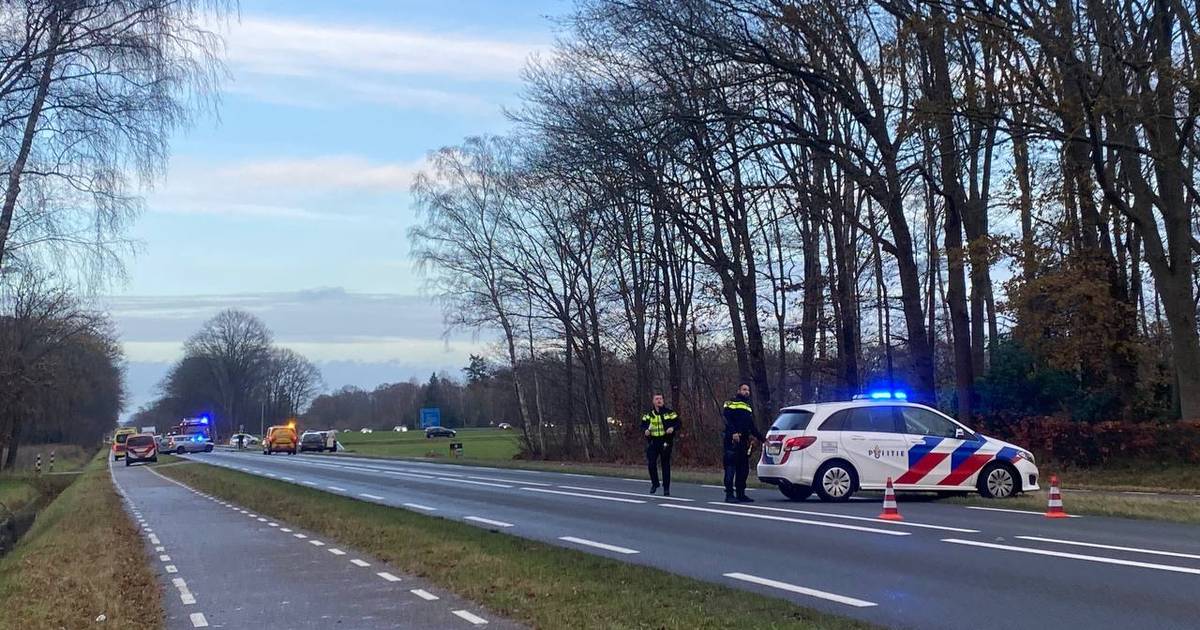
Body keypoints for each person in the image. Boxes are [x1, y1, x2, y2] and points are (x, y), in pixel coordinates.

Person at [722, 382, 763, 503]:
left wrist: (763, 439)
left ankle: (741, 494)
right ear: (738, 391)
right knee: (730, 468)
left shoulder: (748, 407)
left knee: (743, 469)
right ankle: (729, 494)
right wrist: (733, 432)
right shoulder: (731, 403)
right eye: (744, 389)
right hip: (732, 440)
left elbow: (751, 426)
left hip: (743, 442)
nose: (747, 392)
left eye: (748, 390)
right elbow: (726, 418)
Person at [641, 393, 680, 496]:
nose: (659, 400)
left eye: (660, 399)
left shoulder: (669, 413)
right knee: (651, 463)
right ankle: (655, 483)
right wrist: (646, 431)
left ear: (663, 400)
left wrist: (672, 428)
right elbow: (643, 425)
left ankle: (666, 488)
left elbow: (678, 423)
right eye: (657, 399)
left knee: (665, 464)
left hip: (665, 441)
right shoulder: (648, 415)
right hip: (653, 442)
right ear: (653, 401)